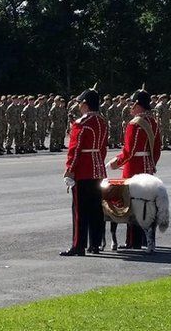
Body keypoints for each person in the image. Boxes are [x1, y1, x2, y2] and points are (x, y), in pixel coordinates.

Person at [106, 89, 162, 250]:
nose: (130, 107)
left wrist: (115, 163)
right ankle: (146, 240)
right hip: (147, 166)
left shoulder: (135, 124)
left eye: (132, 104)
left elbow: (129, 151)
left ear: (138, 105)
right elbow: (157, 148)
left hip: (134, 167)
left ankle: (133, 241)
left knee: (132, 204)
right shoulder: (153, 122)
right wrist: (152, 162)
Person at [61, 88, 108, 256]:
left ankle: (78, 245)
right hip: (98, 169)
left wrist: (70, 170)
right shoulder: (102, 122)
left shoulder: (82, 123)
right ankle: (95, 244)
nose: (79, 106)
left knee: (80, 210)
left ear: (86, 104)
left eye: (80, 103)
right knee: (96, 209)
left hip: (83, 170)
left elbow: (75, 150)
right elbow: (102, 149)